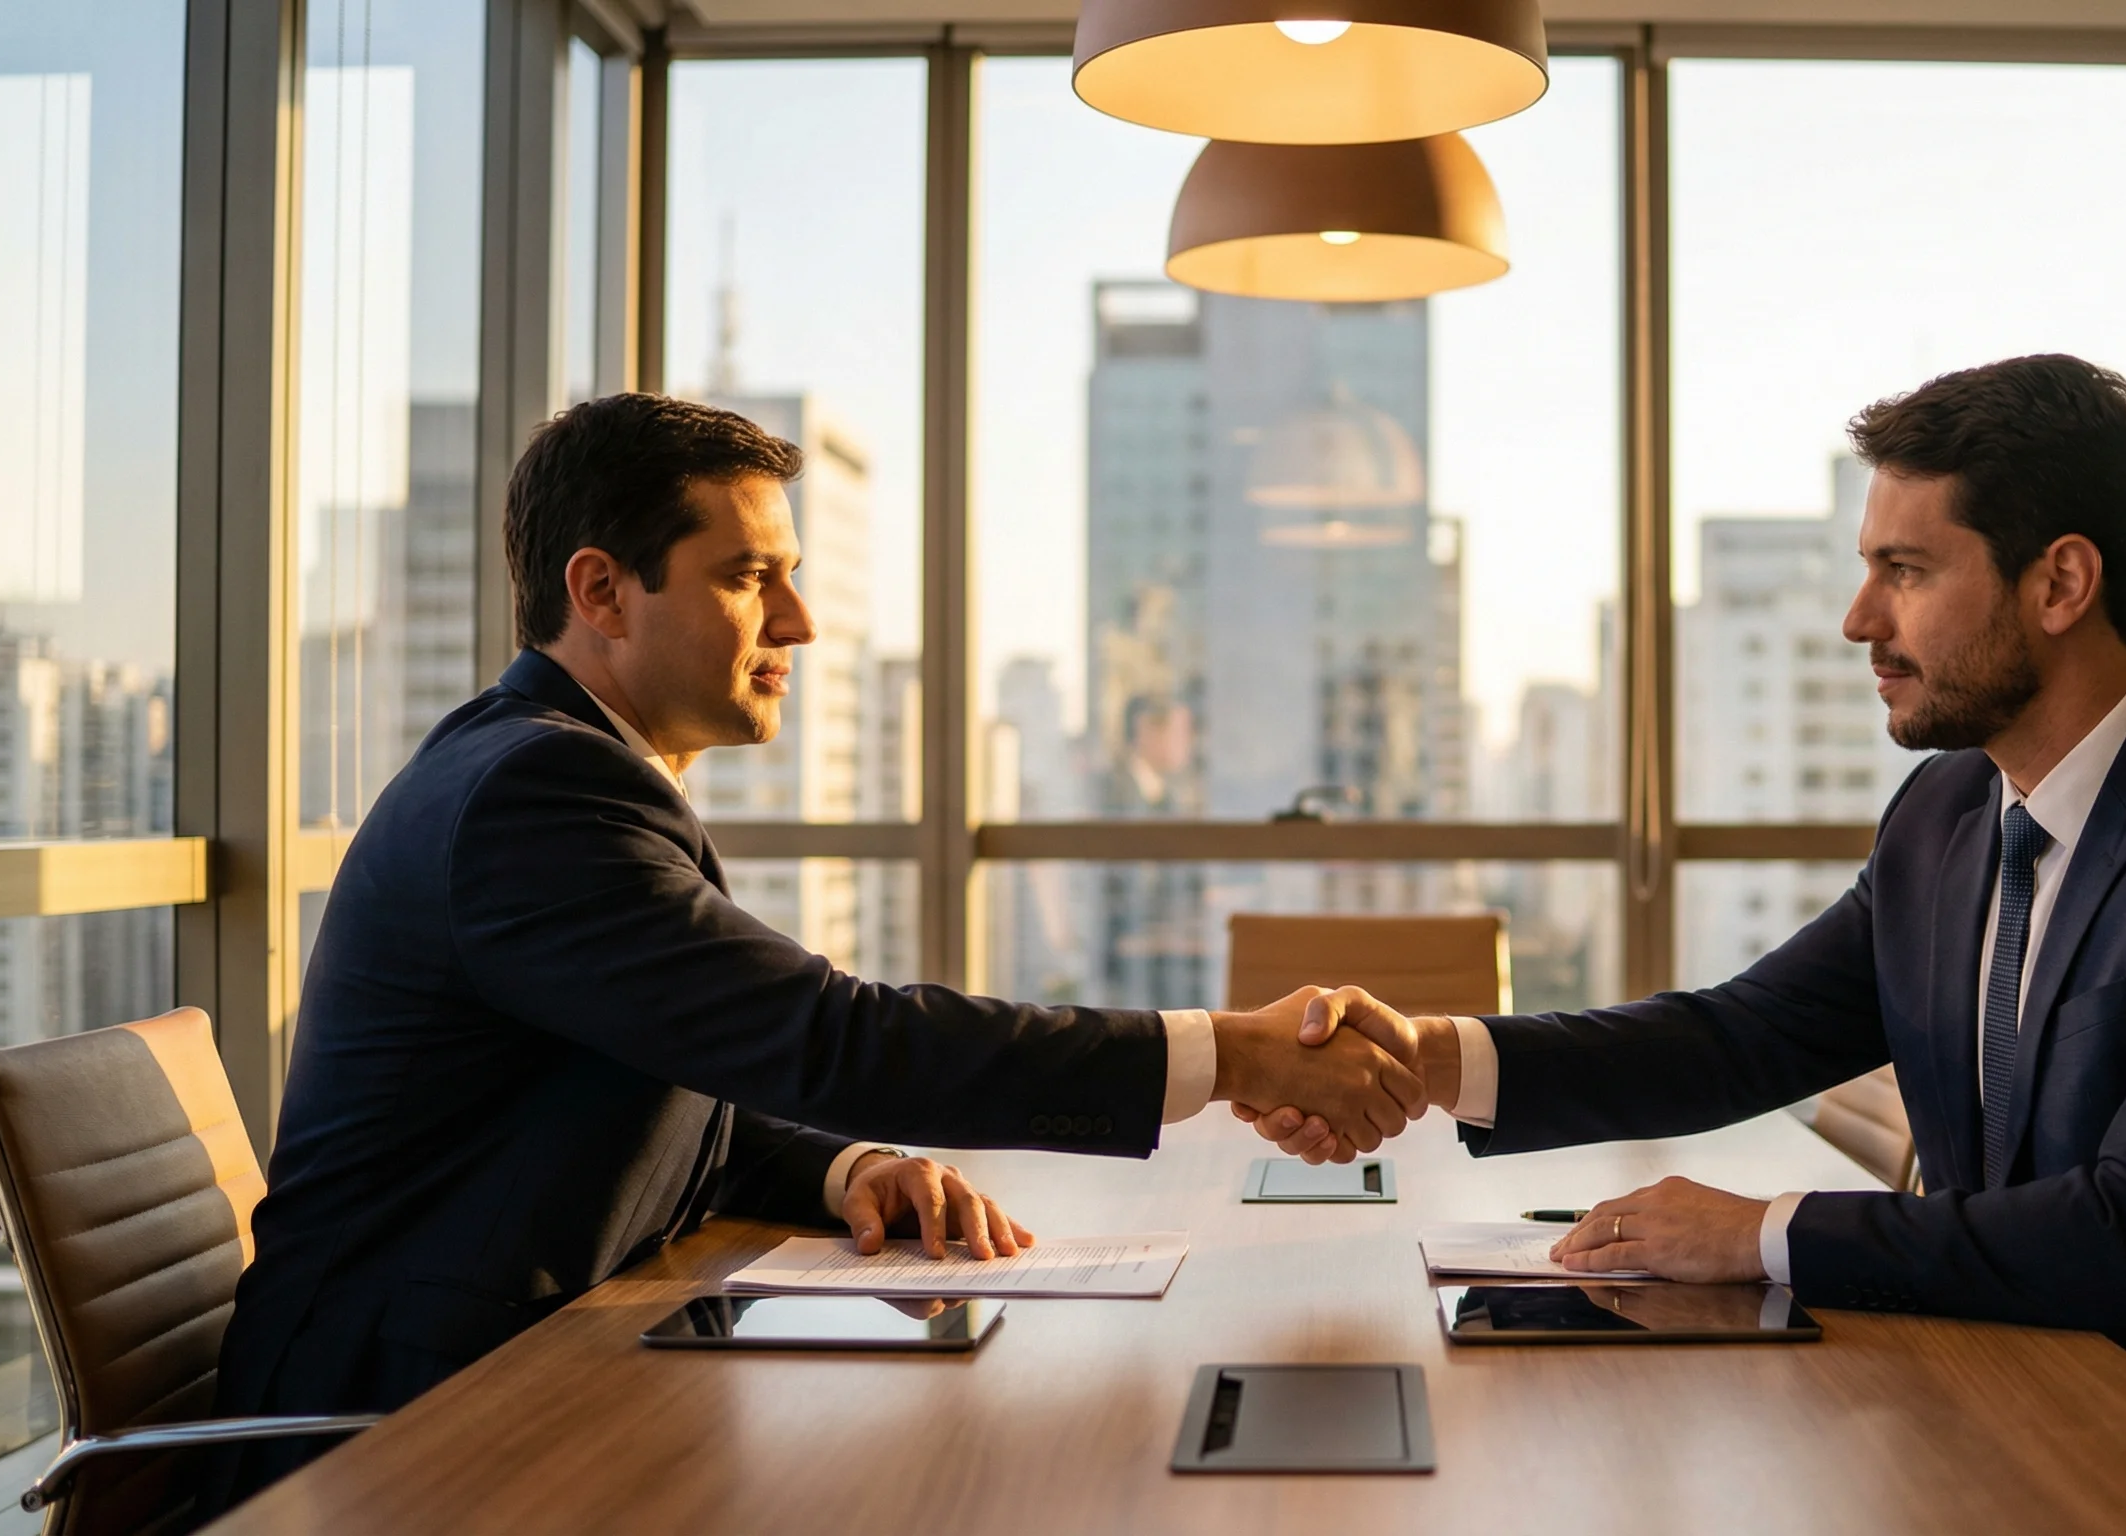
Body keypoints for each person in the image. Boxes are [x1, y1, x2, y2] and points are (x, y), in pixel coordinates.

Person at [1246, 355, 2126, 1535]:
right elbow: (1743, 1034)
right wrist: (1425, 1057)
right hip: (2004, 1402)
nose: (1857, 620)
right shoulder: (1950, 812)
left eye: (1904, 570)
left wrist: (1759, 1232)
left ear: (2059, 584)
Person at [208, 394, 1423, 1509]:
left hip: (524, 1360)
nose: (799, 620)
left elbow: (671, 1078)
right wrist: (1230, 1054)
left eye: (788, 576)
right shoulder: (538, 794)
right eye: (748, 577)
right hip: (397, 1426)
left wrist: (844, 1174)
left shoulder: (557, 766)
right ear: (602, 590)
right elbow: (830, 1038)